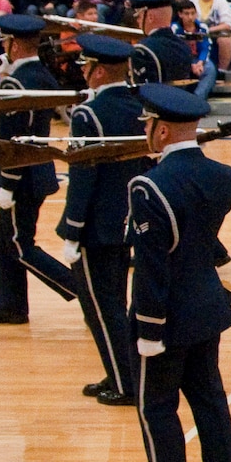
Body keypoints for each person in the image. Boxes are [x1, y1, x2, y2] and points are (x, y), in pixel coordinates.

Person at [128, 83, 231, 462]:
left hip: (167, 316)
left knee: (156, 408)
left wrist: (148, 331)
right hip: (207, 305)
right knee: (209, 401)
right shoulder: (223, 176)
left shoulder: (148, 187)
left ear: (158, 131)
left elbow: (152, 268)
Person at [55, 35, 145, 406]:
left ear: (99, 71)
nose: (84, 73)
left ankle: (124, 383)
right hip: (128, 218)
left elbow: (83, 174)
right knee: (116, 303)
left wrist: (72, 228)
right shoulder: (138, 104)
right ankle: (120, 373)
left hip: (97, 225)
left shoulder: (88, 114)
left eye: (86, 67)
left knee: (102, 310)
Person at [0, 14, 80, 325]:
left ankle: (84, 291)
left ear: (15, 45)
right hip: (37, 171)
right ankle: (11, 305)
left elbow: (12, 138)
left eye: (7, 42)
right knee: (5, 235)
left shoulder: (14, 83)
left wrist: (7, 184)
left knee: (19, 244)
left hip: (21, 175)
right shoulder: (41, 74)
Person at [128, 0, 196, 88]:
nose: (138, 21)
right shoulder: (184, 46)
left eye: (139, 16)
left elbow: (143, 91)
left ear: (150, 17)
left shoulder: (143, 51)